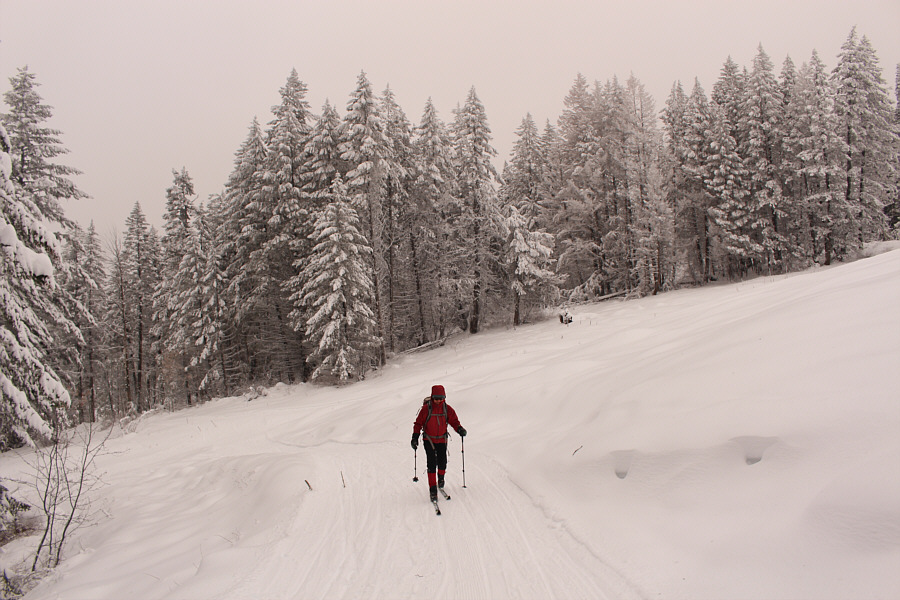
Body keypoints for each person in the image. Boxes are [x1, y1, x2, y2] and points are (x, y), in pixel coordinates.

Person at [411, 385, 466, 501]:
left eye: (441, 398)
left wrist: (459, 429)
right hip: (428, 440)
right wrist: (415, 437)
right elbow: (418, 424)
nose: (438, 401)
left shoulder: (447, 409)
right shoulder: (426, 409)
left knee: (442, 462)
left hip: (442, 439)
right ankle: (432, 490)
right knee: (431, 464)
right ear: (432, 397)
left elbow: (454, 421)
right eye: (436, 398)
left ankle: (440, 479)